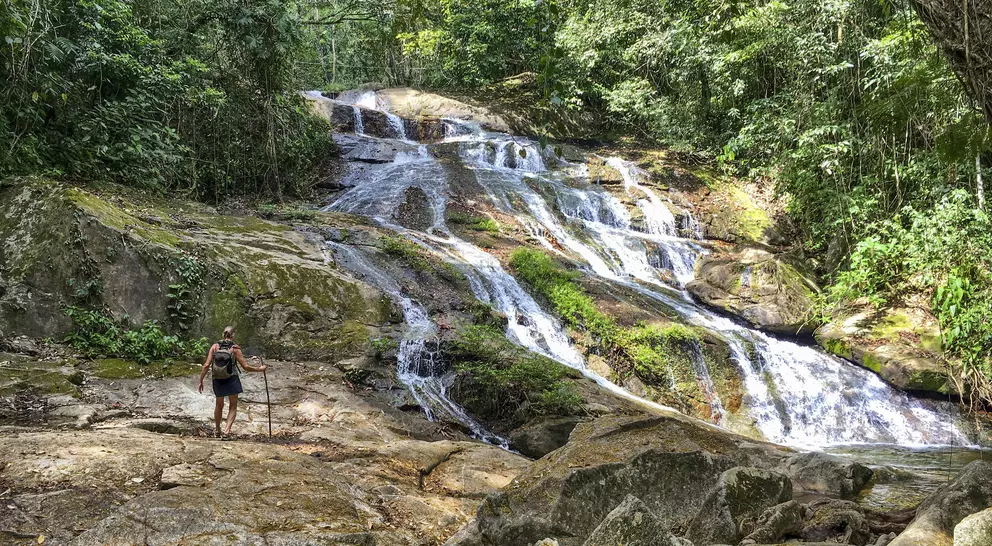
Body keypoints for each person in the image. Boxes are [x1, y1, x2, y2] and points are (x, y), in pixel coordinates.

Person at [198, 326, 266, 436]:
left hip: (217, 378)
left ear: (223, 334)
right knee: (233, 405)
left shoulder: (215, 347)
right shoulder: (235, 348)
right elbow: (246, 367)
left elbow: (206, 365)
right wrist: (259, 369)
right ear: (233, 335)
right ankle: (227, 431)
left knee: (218, 405)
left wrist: (201, 380)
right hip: (231, 378)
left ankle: (217, 430)